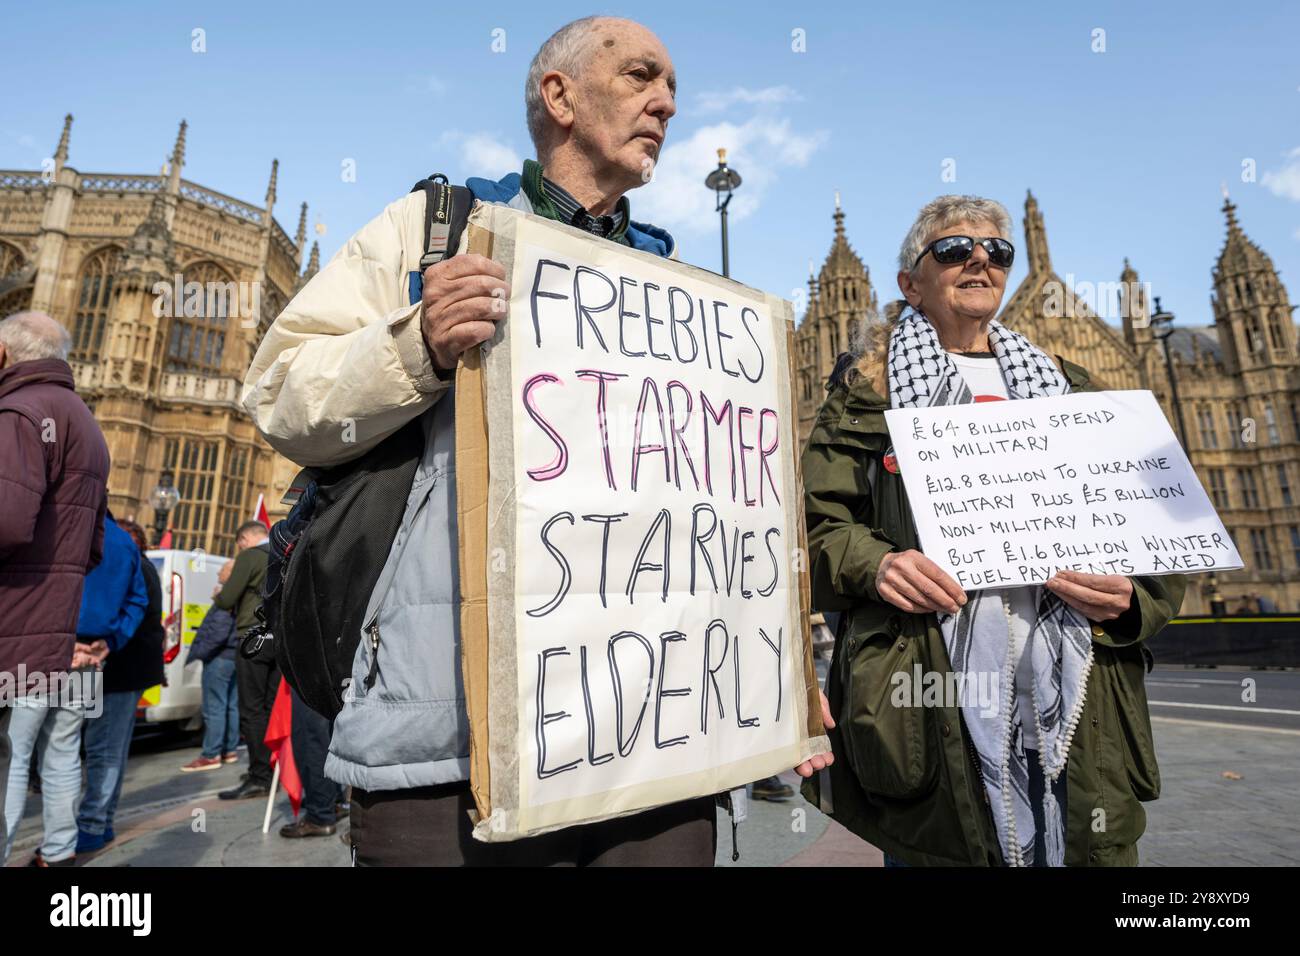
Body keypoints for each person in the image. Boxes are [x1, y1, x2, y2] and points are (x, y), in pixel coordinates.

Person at [242, 17, 717, 866]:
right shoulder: (435, 228)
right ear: (559, 96)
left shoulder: (676, 287)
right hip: (448, 739)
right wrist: (416, 342)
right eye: (643, 75)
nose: (668, 103)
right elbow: (280, 395)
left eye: (674, 86)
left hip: (649, 738)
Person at [796, 195, 1186, 866]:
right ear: (911, 283)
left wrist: (1131, 597)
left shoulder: (1076, 392)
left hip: (1079, 721)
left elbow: (1163, 541)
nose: (978, 259)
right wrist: (876, 565)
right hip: (932, 716)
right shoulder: (865, 394)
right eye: (953, 249)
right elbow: (811, 534)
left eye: (996, 251)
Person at [0, 311, 110, 863]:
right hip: (51, 637)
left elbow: (6, 520)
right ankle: (62, 850)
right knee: (47, 754)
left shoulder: (21, 410)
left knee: (10, 760)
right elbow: (93, 548)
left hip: (11, 628)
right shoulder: (88, 426)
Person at [4, 511, 145, 865]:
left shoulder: (56, 525)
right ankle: (60, 851)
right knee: (64, 755)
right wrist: (109, 641)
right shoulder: (124, 541)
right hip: (90, 661)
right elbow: (137, 600)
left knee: (14, 757)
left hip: (37, 651)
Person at [76, 517, 160, 854]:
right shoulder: (140, 564)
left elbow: (136, 617)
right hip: (123, 669)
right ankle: (103, 820)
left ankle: (93, 824)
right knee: (111, 749)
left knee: (102, 749)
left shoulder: (134, 565)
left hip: (119, 669)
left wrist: (107, 641)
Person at [215, 522, 273, 800]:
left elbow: (227, 599)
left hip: (252, 639)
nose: (239, 547)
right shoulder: (284, 550)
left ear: (246, 538)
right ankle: (273, 769)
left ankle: (260, 775)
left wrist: (219, 594)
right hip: (280, 639)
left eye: (240, 542)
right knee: (273, 708)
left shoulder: (250, 557)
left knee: (251, 710)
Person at [180, 559, 242, 772]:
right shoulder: (240, 595)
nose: (218, 574)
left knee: (214, 706)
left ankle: (211, 754)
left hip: (219, 658)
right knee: (230, 705)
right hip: (233, 657)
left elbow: (218, 631)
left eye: (222, 570)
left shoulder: (226, 599)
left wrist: (202, 653)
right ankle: (229, 750)